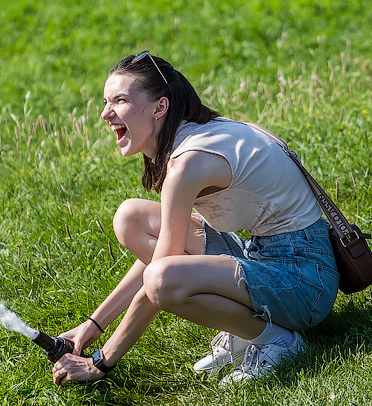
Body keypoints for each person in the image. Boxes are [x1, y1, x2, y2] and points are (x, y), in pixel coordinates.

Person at [51, 51, 339, 386]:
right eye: (105, 101)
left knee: (162, 281)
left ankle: (277, 341)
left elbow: (159, 275)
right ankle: (246, 332)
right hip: (264, 253)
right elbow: (159, 258)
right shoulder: (192, 137)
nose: (105, 113)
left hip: (304, 281)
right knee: (130, 217)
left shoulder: (188, 164)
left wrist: (101, 361)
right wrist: (92, 326)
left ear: (160, 108)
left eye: (120, 100)